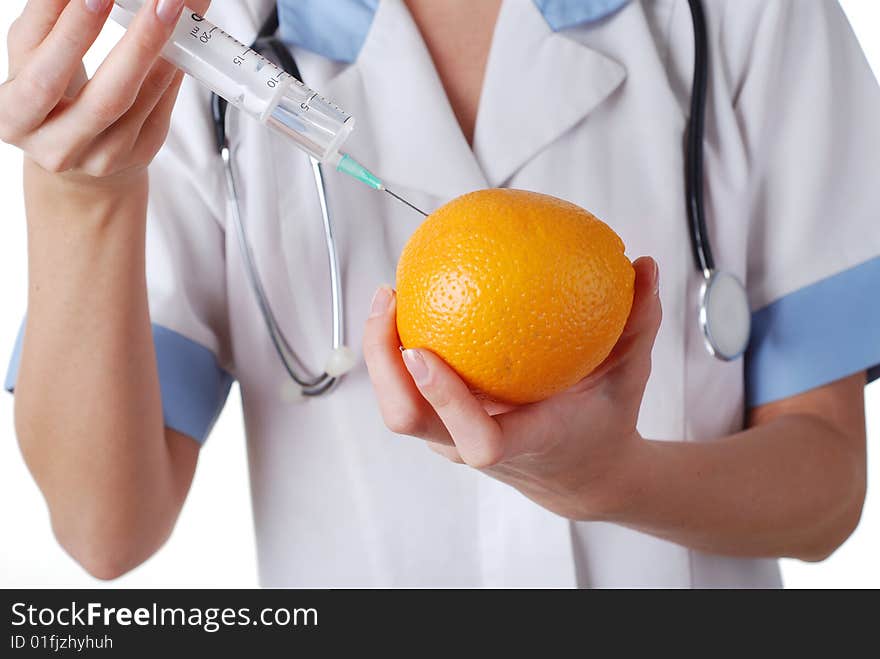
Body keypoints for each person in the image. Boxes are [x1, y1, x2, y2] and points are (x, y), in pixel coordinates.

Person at [2, 0, 879, 588]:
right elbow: (103, 528)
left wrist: (613, 480)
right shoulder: (202, 34)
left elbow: (829, 492)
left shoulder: (750, 17)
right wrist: (83, 196)